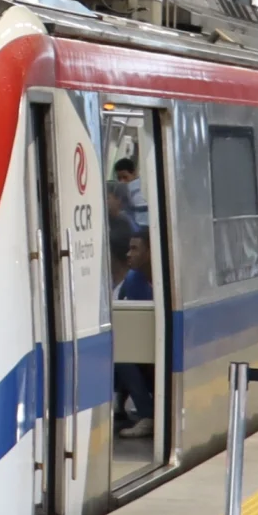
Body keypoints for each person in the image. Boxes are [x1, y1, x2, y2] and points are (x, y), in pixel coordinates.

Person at [114, 231, 155, 439]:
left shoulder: (162, 278)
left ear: (150, 253)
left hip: (159, 352)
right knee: (122, 352)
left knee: (124, 358)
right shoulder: (133, 279)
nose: (128, 254)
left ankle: (148, 415)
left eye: (135, 249)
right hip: (146, 348)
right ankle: (121, 406)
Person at [113, 157, 149, 227]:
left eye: (125, 177)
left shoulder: (140, 191)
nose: (122, 181)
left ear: (134, 173)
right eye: (119, 178)